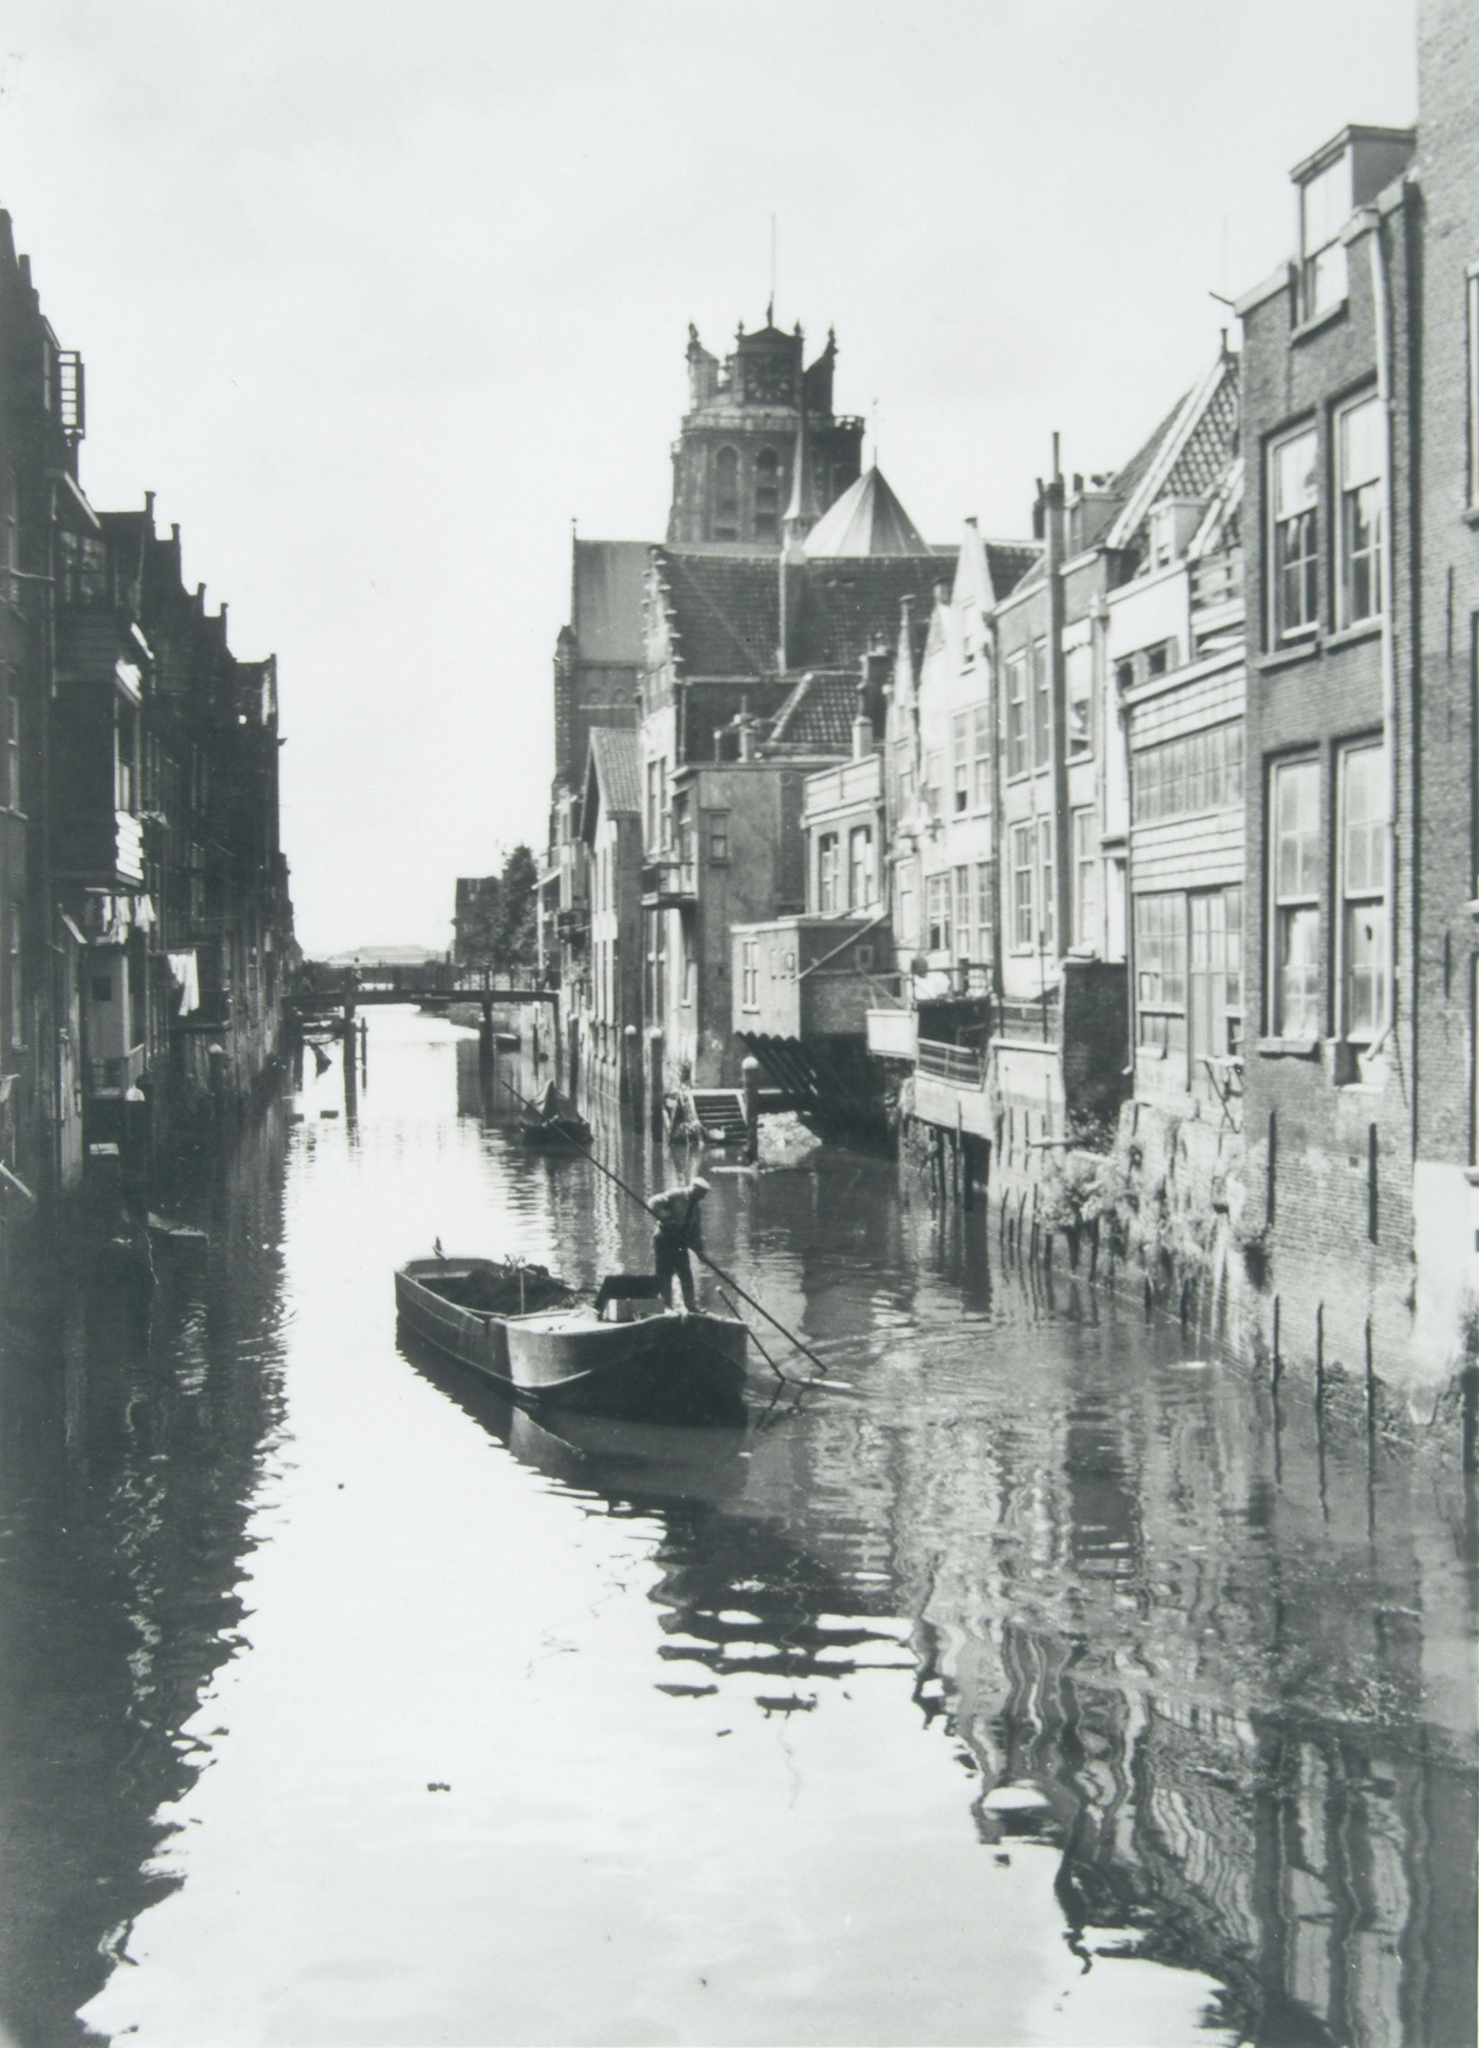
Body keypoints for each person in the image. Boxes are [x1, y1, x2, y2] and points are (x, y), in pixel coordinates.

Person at [648, 1177, 710, 1313]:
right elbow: (653, 1203)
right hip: (664, 1238)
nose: (703, 1197)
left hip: (679, 1242)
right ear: (695, 1190)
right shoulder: (677, 1195)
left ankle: (691, 1306)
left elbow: (696, 1232)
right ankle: (666, 1306)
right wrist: (666, 1217)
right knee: (664, 1273)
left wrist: (700, 1252)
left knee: (685, 1273)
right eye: (702, 1194)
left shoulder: (696, 1209)